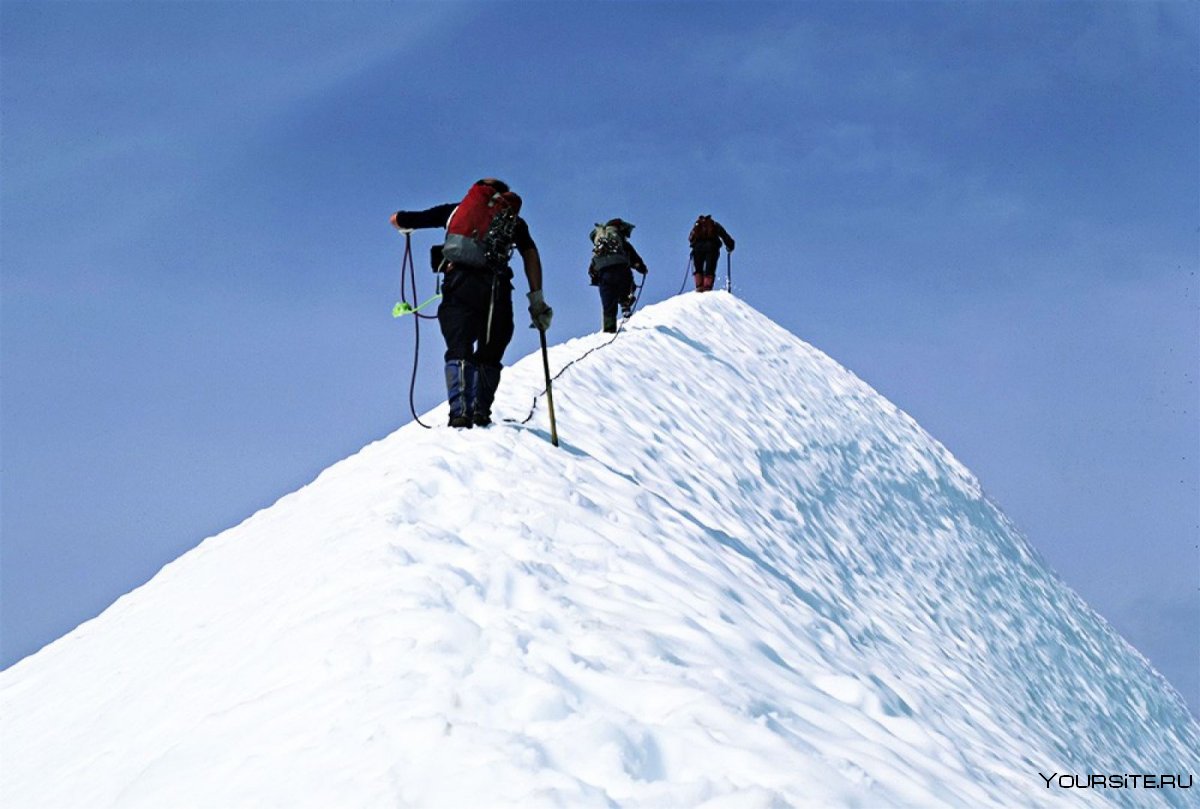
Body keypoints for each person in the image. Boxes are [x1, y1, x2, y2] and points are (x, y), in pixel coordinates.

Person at [390, 178, 553, 429]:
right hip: (496, 288)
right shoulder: (513, 221)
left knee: (459, 345)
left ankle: (460, 413)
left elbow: (402, 218)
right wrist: (537, 301)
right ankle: (481, 411)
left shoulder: (456, 210)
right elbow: (530, 254)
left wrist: (400, 221)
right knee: (492, 349)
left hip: (459, 283)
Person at [587, 217, 647, 333]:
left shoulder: (600, 243)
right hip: (621, 269)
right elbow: (633, 256)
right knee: (627, 286)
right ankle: (625, 305)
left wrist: (595, 278)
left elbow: (592, 267)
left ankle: (609, 330)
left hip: (603, 274)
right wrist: (642, 268)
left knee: (608, 305)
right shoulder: (619, 239)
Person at [688, 214, 735, 292]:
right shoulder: (715, 225)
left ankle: (699, 287)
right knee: (710, 268)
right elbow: (724, 235)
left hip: (698, 248)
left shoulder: (697, 226)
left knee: (698, 268)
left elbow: (690, 238)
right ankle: (707, 287)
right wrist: (730, 246)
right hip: (712, 248)